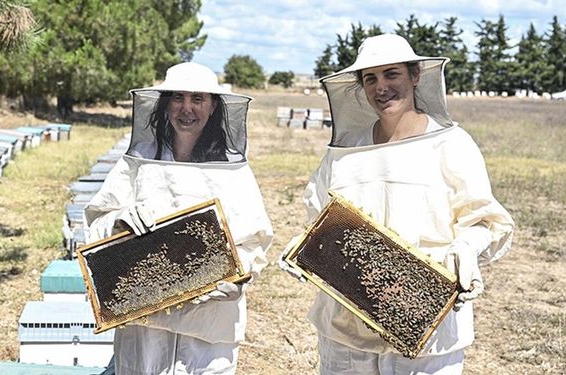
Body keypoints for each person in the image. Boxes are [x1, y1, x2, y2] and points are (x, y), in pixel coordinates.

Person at [279, 34, 515, 374]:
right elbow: (321, 216)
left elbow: (486, 220)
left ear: (415, 75)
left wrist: (468, 244)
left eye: (392, 74)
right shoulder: (345, 154)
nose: (381, 87)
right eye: (370, 78)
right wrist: (308, 245)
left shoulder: (451, 145)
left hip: (427, 335)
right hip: (346, 333)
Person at [85, 62, 273, 375]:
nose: (187, 108)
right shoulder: (140, 158)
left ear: (213, 106)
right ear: (165, 104)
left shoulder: (232, 168)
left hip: (208, 325)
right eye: (178, 98)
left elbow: (255, 239)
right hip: (145, 321)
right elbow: (97, 221)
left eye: (197, 99)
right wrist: (119, 218)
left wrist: (237, 278)